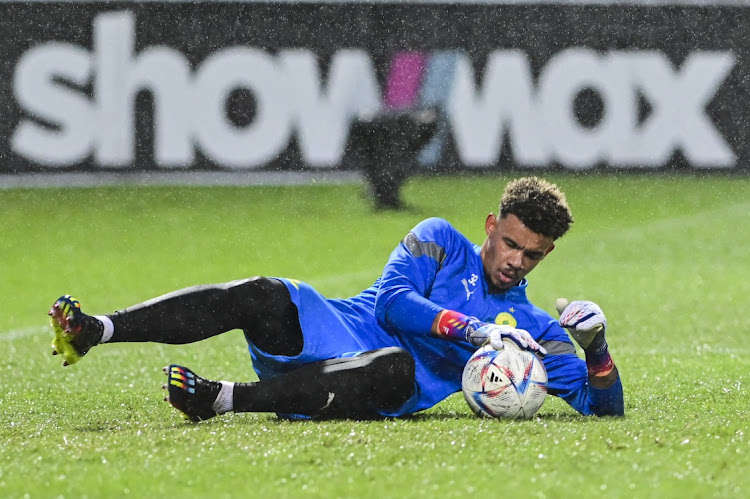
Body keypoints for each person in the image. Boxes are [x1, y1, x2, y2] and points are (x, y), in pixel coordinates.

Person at [48, 177, 624, 421]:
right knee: (265, 293)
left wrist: (595, 351)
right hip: (330, 329)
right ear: (491, 224)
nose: (515, 261)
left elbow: (604, 411)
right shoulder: (440, 239)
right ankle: (97, 330)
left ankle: (223, 400)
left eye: (533, 255)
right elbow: (392, 304)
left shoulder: (534, 328)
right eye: (510, 243)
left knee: (398, 368)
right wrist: (469, 330)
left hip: (372, 382)